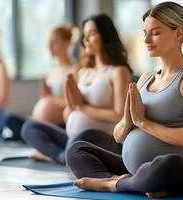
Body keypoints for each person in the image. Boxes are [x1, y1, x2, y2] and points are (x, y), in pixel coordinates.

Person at [66, 2, 183, 198]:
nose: (146, 39)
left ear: (178, 33)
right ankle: (134, 182)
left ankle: (114, 184)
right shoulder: (145, 78)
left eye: (155, 33)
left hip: (180, 169)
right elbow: (118, 136)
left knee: (169, 165)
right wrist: (127, 121)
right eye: (145, 32)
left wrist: (143, 122)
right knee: (77, 150)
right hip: (135, 168)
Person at [21, 14, 132, 164]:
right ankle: (62, 156)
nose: (85, 40)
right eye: (84, 35)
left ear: (106, 36)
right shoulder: (83, 71)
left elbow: (119, 115)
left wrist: (82, 106)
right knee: (30, 127)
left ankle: (62, 155)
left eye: (92, 34)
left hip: (104, 139)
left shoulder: (118, 71)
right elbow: (69, 115)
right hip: (73, 137)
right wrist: (70, 105)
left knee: (80, 138)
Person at [5, 25, 77, 140]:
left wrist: (49, 98)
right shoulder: (51, 71)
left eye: (55, 42)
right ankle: (32, 136)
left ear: (67, 43)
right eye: (49, 42)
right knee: (10, 119)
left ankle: (31, 136)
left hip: (59, 123)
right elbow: (46, 99)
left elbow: (74, 104)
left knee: (30, 129)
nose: (50, 46)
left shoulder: (74, 70)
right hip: (41, 120)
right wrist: (45, 96)